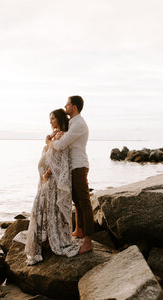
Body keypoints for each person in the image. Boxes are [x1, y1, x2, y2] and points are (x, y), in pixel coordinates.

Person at [13, 108, 80, 265]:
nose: (50, 121)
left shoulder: (62, 135)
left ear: (59, 119)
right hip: (47, 181)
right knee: (44, 207)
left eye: (53, 119)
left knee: (46, 207)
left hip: (53, 181)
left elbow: (61, 159)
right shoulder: (53, 136)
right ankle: (46, 238)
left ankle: (49, 239)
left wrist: (49, 172)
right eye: (50, 119)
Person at [46, 96, 94, 254]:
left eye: (66, 104)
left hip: (79, 166)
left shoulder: (79, 124)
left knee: (85, 202)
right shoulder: (71, 123)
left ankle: (88, 241)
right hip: (72, 167)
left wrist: (49, 143)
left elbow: (60, 145)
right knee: (77, 201)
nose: (64, 107)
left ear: (74, 107)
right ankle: (79, 230)